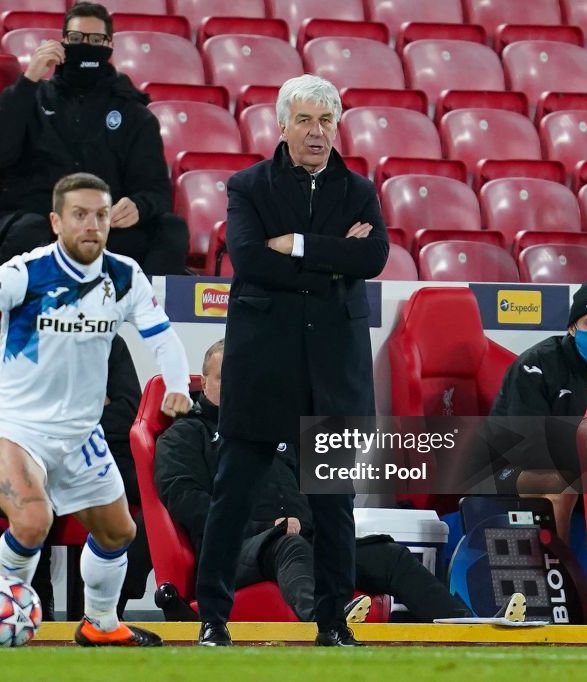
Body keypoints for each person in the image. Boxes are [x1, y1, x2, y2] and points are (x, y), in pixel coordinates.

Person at [0, 172, 191, 646]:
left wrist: (178, 385)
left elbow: (163, 336)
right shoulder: (23, 274)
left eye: (100, 215)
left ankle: (101, 624)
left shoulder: (125, 276)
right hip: (13, 426)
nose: (92, 225)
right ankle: (7, 618)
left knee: (118, 533)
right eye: (79, 215)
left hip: (79, 435)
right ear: (56, 221)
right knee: (32, 521)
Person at [194, 75, 389, 647]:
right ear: (281, 126)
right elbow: (251, 260)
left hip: (335, 372)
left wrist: (300, 245)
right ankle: (212, 617)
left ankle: (333, 623)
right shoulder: (248, 186)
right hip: (263, 369)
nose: (317, 132)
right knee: (233, 495)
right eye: (305, 120)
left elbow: (373, 255)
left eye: (326, 121)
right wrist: (335, 258)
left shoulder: (358, 190)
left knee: (335, 505)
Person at [157, 340, 472, 624]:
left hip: (304, 540)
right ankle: (324, 623)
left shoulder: (281, 431)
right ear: (204, 382)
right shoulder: (186, 435)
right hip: (232, 552)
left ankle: (466, 624)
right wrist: (267, 527)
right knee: (289, 545)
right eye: (225, 378)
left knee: (390, 555)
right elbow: (188, 502)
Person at [0, 1, 188, 275]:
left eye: (96, 39)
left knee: (171, 229)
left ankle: (145, 313)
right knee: (27, 231)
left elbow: (156, 190)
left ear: (109, 45)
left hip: (103, 228)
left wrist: (139, 206)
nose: (86, 45)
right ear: (63, 42)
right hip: (40, 219)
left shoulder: (134, 113)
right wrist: (27, 81)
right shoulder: (31, 96)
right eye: (76, 39)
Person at [0, 331, 150, 620]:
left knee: (146, 501)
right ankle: (33, 614)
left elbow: (128, 413)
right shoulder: (5, 339)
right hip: (30, 455)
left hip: (100, 454)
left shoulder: (107, 339)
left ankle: (102, 617)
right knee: (33, 504)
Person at [487, 279, 587, 545]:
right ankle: (559, 574)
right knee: (559, 485)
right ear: (573, 327)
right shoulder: (537, 364)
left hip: (586, 473)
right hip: (509, 468)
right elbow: (526, 447)